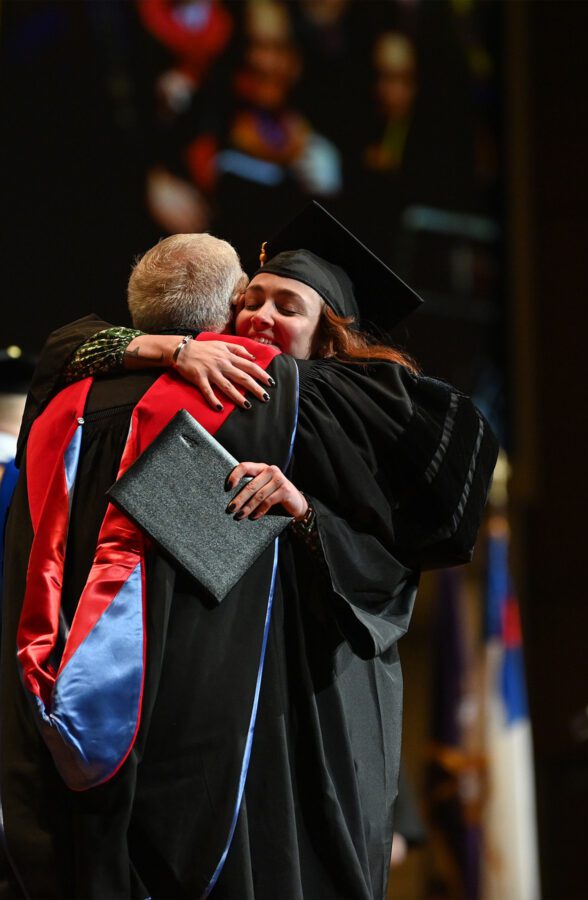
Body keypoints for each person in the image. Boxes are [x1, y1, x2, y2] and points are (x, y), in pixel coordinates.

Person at [1, 205, 497, 900]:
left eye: (287, 306)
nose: (260, 315)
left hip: (296, 708)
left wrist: (303, 511)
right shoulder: (216, 385)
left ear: (328, 339)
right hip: (201, 709)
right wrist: (172, 348)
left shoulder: (322, 402)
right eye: (250, 299)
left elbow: (402, 548)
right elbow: (67, 346)